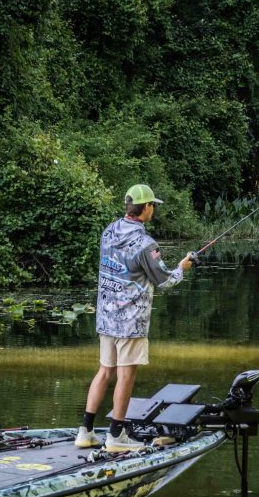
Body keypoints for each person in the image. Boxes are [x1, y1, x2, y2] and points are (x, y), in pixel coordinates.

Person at [76, 184, 194, 451]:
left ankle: (85, 432)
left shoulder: (108, 231)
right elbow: (164, 280)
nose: (154, 209)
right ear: (146, 207)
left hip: (106, 317)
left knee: (104, 371)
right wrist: (182, 267)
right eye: (153, 205)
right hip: (130, 321)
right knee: (125, 375)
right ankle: (116, 436)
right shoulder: (145, 243)